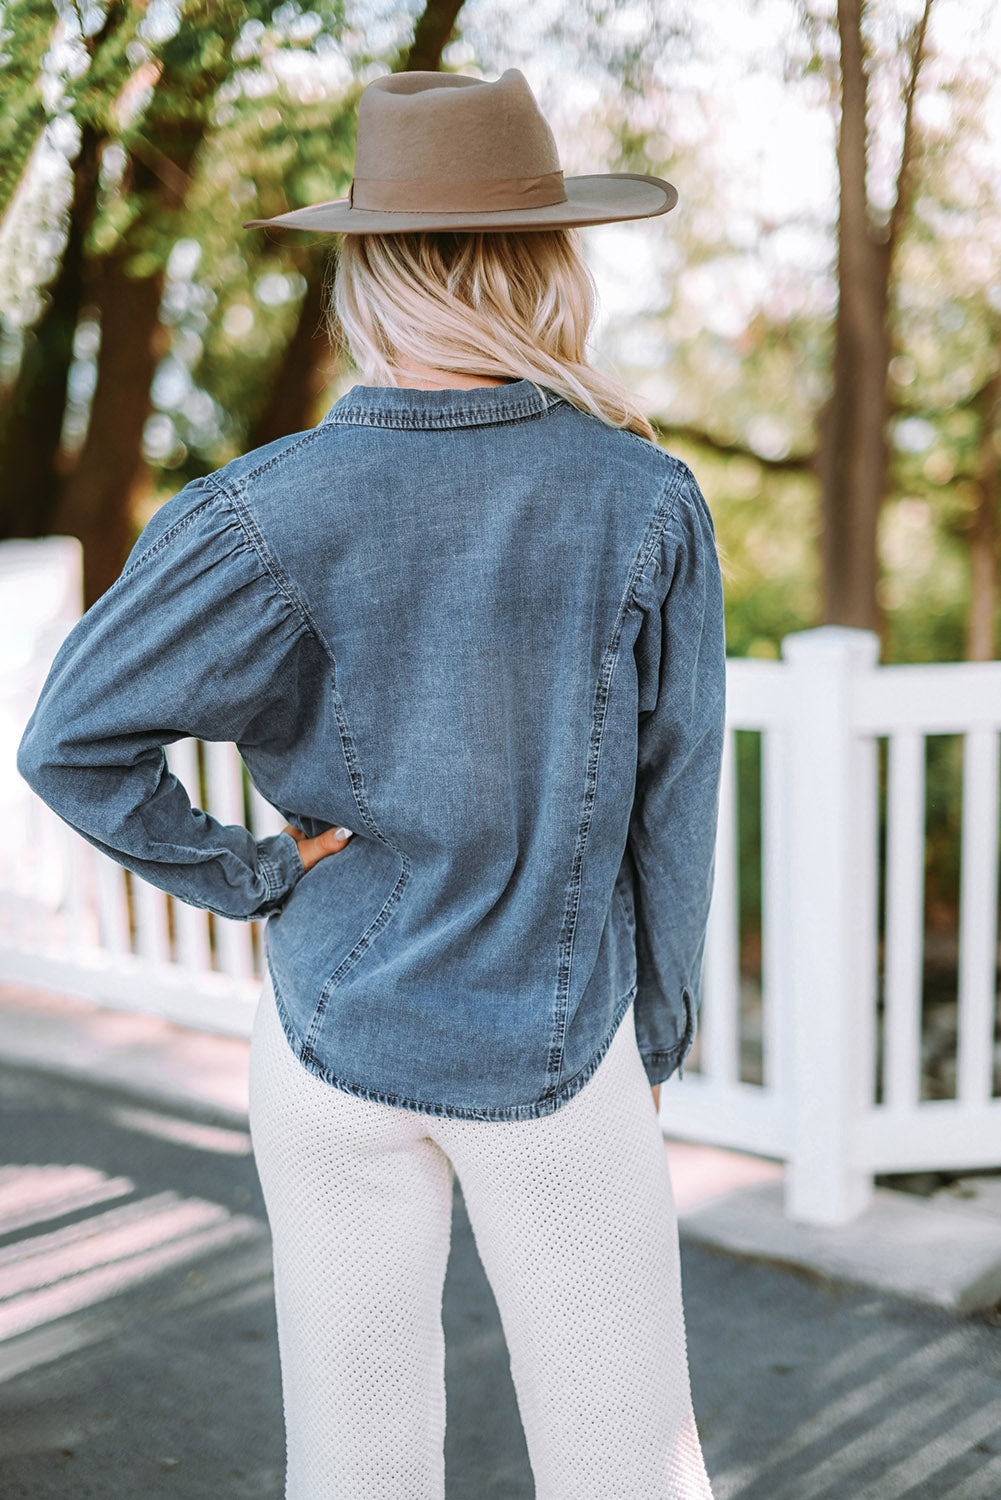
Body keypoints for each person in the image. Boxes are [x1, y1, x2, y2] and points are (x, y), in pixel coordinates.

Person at [18, 67, 725, 1500]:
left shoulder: (256, 507)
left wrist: (257, 878)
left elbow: (68, 739)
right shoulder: (642, 499)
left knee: (352, 1469)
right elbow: (672, 804)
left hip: (328, 1032)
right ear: (546, 263)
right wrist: (651, 1043)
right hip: (554, 1042)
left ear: (365, 268)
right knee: (625, 1470)